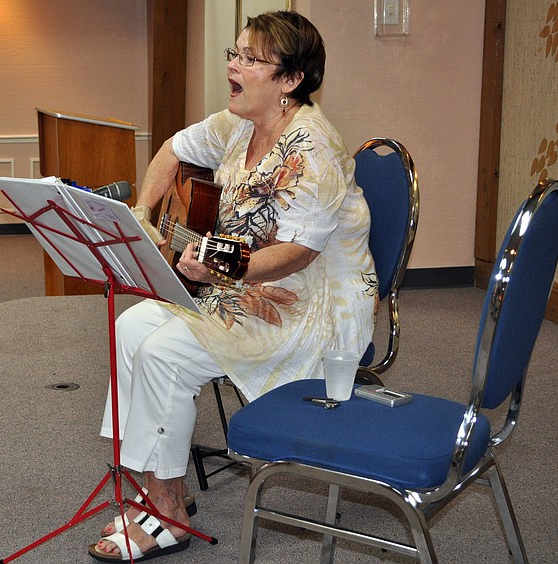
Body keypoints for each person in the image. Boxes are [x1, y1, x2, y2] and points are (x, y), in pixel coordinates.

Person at [88, 11, 377, 562]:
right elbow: (173, 149)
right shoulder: (239, 123)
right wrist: (144, 211)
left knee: (164, 353)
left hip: (309, 306)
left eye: (250, 59)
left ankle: (167, 514)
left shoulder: (313, 150)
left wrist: (223, 267)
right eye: (234, 53)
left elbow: (299, 254)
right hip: (240, 285)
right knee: (131, 327)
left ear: (290, 80)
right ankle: (162, 491)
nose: (233, 67)